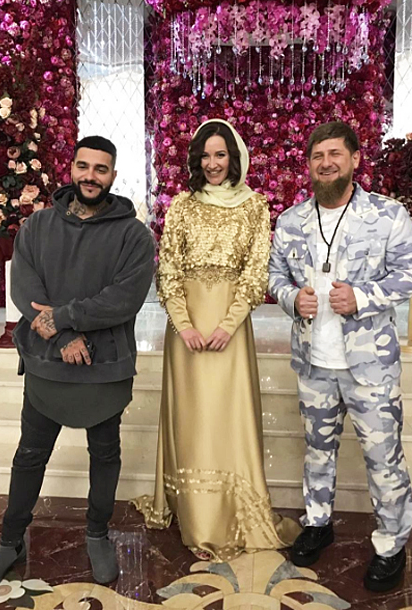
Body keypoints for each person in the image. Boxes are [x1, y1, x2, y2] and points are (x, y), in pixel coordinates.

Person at [0, 136, 154, 589]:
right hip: (47, 363)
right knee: (29, 455)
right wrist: (63, 336)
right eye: (84, 166)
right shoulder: (38, 226)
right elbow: (25, 287)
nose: (90, 176)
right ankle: (11, 540)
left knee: (105, 454)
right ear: (72, 168)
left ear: (113, 175)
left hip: (105, 367)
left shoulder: (134, 235)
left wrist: (62, 318)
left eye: (101, 169)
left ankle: (97, 534)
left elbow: (123, 299)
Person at [268, 121, 412, 592]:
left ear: (355, 159)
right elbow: (274, 275)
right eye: (318, 156)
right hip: (314, 362)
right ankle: (318, 523)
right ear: (309, 164)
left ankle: (391, 545)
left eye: (335, 154)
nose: (326, 163)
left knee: (383, 457)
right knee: (318, 451)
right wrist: (291, 298)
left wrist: (362, 296)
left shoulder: (386, 214)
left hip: (369, 364)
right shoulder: (291, 220)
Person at [133, 119, 301, 561]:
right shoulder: (182, 205)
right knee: (191, 416)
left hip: (231, 328)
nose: (212, 163)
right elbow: (168, 266)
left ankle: (229, 512)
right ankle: (193, 512)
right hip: (185, 330)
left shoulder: (255, 206)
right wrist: (183, 323)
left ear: (234, 157)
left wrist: (228, 324)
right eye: (205, 155)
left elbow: (256, 270)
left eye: (220, 154)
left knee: (226, 415)